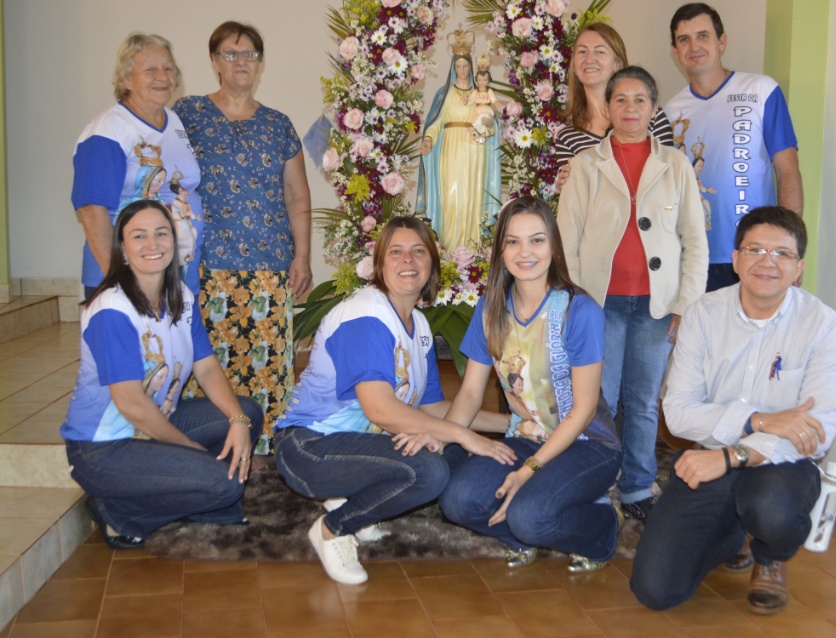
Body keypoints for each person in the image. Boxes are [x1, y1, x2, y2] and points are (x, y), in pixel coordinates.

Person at [273, 215, 517, 585]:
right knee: (429, 470)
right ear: (379, 265)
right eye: (397, 252)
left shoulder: (418, 325)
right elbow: (380, 409)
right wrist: (462, 435)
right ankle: (333, 528)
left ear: (432, 265)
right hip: (309, 447)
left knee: (447, 450)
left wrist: (513, 424)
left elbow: (433, 408)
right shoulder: (366, 316)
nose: (408, 261)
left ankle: (353, 501)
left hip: (363, 443)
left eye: (419, 252)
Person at [631, 206, 836, 615]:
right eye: (755, 249)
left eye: (782, 254)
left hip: (779, 465)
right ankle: (733, 533)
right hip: (712, 456)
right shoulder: (702, 315)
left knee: (771, 508)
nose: (767, 262)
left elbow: (818, 430)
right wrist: (761, 420)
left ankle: (770, 554)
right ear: (735, 259)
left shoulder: (823, 325)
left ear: (799, 267)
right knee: (655, 590)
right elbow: (677, 412)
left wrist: (734, 454)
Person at [61, 199, 264, 550]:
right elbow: (131, 404)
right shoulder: (112, 309)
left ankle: (190, 492)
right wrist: (192, 451)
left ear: (174, 240)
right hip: (104, 449)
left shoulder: (180, 297)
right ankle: (123, 513)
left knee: (249, 412)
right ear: (122, 249)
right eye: (139, 236)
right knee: (225, 485)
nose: (152, 245)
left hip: (153, 426)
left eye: (161, 233)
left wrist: (238, 420)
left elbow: (206, 366)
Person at [440, 197, 623, 573]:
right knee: (457, 501)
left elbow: (584, 409)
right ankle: (524, 535)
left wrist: (527, 472)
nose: (525, 252)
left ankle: (602, 526)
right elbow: (471, 393)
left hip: (587, 444)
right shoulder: (490, 310)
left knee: (530, 515)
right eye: (513, 241)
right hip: (524, 436)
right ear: (500, 250)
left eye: (537, 240)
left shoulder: (579, 310)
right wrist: (441, 439)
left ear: (553, 247)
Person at [557, 67, 708, 522]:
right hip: (598, 307)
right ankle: (595, 486)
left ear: (653, 107)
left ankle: (639, 486)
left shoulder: (676, 165)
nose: (629, 109)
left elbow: (695, 240)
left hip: (655, 307)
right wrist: (575, 303)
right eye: (619, 100)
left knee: (643, 402)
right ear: (607, 108)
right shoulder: (587, 166)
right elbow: (567, 238)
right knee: (597, 401)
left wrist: (686, 305)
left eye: (639, 100)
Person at [174, 21, 312, 434]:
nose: (240, 62)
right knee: (207, 363)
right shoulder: (188, 113)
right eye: (230, 54)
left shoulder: (278, 124)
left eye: (249, 54)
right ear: (215, 61)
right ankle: (206, 444)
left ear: (260, 63)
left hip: (269, 269)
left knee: (266, 365)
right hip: (205, 267)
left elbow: (298, 197)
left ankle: (265, 448)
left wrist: (301, 257)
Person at [664, 3, 803, 292]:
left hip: (758, 256)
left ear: (721, 41)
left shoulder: (761, 90)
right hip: (693, 260)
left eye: (703, 35)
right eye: (684, 39)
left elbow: (787, 171)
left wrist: (790, 249)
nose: (694, 46)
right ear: (675, 51)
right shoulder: (668, 112)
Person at [73, 33, 204, 298]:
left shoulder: (174, 121)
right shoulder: (108, 130)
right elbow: (91, 210)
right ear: (126, 79)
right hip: (125, 279)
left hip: (177, 275)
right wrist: (120, 282)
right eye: (150, 69)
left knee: (179, 341)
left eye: (168, 68)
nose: (162, 76)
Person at [554, 23, 673, 191]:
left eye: (599, 51)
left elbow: (670, 178)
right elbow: (576, 201)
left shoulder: (650, 115)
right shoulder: (567, 137)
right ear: (574, 66)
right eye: (582, 51)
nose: (589, 59)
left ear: (617, 63)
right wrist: (566, 186)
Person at [417, 31, 501, 251]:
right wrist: (427, 139)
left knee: (472, 198)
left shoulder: (480, 93)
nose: (462, 71)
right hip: (450, 151)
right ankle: (448, 247)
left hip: (475, 149)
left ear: (471, 68)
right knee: (451, 199)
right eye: (459, 66)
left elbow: (492, 123)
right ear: (453, 68)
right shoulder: (445, 94)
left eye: (466, 66)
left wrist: (489, 125)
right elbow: (436, 123)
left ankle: (472, 248)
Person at [465, 65, 500, 144]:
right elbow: (470, 100)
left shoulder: (489, 91)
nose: (482, 82)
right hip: (478, 110)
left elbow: (493, 98)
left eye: (484, 80)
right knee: (479, 121)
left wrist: (496, 102)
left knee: (483, 117)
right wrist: (466, 101)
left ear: (488, 81)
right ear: (476, 80)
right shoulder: (475, 91)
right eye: (480, 80)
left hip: (487, 110)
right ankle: (483, 135)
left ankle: (473, 127)